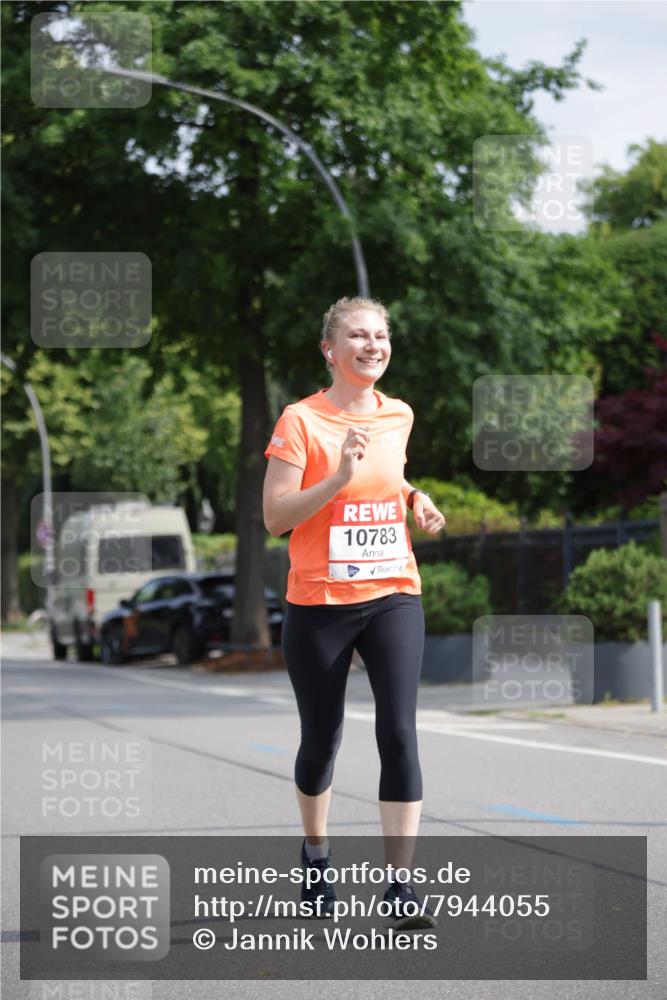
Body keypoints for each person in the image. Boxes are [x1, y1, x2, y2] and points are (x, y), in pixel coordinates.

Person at [263, 296, 446, 931]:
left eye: (380, 335)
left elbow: (390, 476)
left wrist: (417, 497)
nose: (372, 345)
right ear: (330, 351)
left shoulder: (399, 414)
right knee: (323, 739)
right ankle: (316, 853)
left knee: (398, 731)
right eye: (358, 336)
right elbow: (275, 516)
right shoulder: (300, 421)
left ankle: (400, 885)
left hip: (393, 590)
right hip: (319, 603)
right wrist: (335, 478)